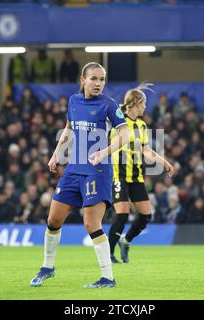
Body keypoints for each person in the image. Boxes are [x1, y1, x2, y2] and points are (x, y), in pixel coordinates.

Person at [29, 62, 129, 288]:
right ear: (82, 80)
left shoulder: (109, 105)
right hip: (74, 169)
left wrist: (104, 151)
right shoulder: (74, 101)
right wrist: (56, 155)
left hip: (98, 171)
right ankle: (47, 267)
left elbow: (125, 135)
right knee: (53, 220)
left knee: (91, 224)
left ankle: (108, 277)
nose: (98, 84)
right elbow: (69, 128)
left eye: (102, 79)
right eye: (94, 79)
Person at [107, 85, 174, 263]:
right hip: (119, 176)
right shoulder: (119, 123)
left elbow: (146, 150)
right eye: (143, 103)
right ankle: (109, 254)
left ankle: (125, 241)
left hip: (136, 177)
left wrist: (164, 162)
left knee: (146, 216)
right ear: (136, 103)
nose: (145, 107)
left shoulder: (142, 126)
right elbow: (111, 147)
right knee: (122, 214)